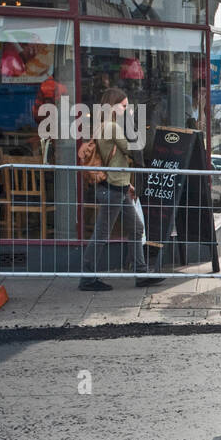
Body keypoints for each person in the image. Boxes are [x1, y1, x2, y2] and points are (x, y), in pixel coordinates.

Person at [79, 88, 165, 292]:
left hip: (118, 186)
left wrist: (128, 184)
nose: (128, 110)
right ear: (112, 106)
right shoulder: (113, 127)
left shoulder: (104, 125)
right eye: (124, 106)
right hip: (113, 189)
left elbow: (116, 158)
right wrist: (135, 124)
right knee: (101, 234)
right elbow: (134, 149)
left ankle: (140, 273)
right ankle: (87, 278)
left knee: (135, 228)